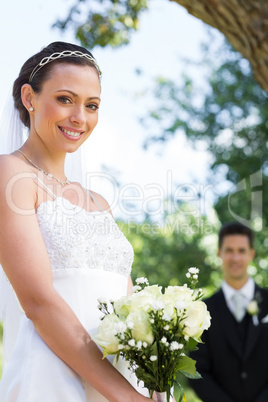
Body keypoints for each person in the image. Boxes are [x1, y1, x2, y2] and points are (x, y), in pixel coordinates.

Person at [0, 41, 152, 401]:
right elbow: (37, 301)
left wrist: (152, 381)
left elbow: (129, 310)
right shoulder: (11, 174)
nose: (79, 118)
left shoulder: (98, 202)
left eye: (92, 105)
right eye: (65, 99)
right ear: (29, 97)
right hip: (53, 380)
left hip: (123, 379)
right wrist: (125, 396)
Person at [189, 222, 268, 402]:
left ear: (251, 254)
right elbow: (197, 368)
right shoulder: (202, 310)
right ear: (219, 253)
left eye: (241, 251)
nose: (235, 258)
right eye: (229, 250)